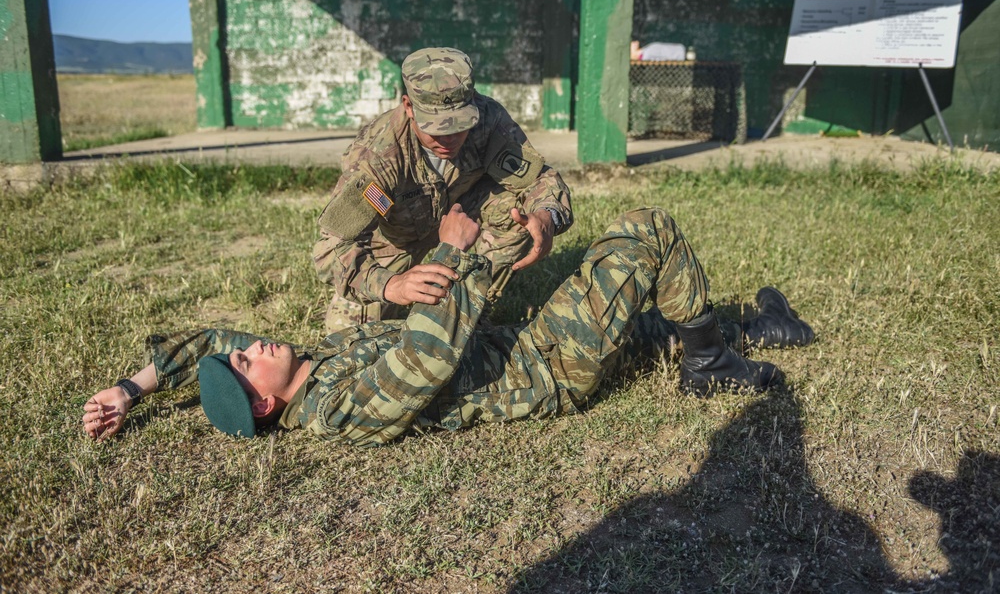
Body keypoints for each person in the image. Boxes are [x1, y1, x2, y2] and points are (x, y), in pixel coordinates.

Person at [83, 206, 815, 446]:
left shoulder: (308, 365)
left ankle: (752, 326)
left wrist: (130, 387)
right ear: (267, 405)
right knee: (644, 235)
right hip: (547, 368)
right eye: (247, 367)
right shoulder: (337, 408)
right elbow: (426, 360)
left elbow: (205, 342)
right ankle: (709, 365)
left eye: (243, 352)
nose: (249, 347)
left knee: (640, 318)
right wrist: (452, 251)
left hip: (517, 343)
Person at [313, 46, 574, 331]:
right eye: (435, 128)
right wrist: (393, 284)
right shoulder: (378, 155)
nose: (448, 138)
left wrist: (548, 215)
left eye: (459, 125)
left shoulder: (488, 119)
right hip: (395, 241)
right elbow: (332, 248)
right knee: (345, 331)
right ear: (409, 107)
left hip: (463, 217)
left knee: (520, 212)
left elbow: (537, 178)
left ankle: (471, 306)